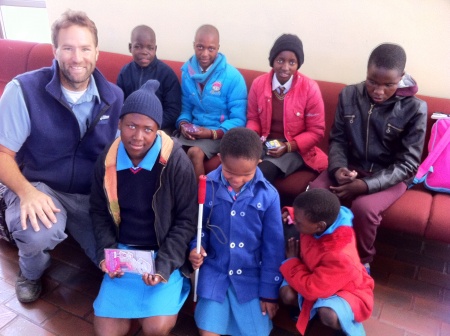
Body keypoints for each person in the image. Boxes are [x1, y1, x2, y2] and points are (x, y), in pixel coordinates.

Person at [0, 10, 123, 303]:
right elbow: (3, 153)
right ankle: (31, 272)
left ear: (96, 51)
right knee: (37, 233)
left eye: (84, 48)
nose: (76, 57)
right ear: (55, 50)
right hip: (40, 186)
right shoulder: (23, 90)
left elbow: (117, 159)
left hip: (88, 196)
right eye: (67, 48)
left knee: (116, 264)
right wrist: (27, 192)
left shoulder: (115, 97)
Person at [90, 80, 197, 336]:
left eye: (148, 129)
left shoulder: (175, 161)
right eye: (131, 126)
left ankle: (167, 287)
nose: (138, 136)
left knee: (155, 328)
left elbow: (186, 220)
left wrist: (163, 265)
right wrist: (108, 255)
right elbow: (97, 211)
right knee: (106, 332)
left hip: (162, 252)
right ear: (119, 124)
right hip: (125, 255)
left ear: (158, 130)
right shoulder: (108, 159)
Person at [309, 43, 427, 272]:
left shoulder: (415, 108)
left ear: (401, 78)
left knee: (364, 208)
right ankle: (318, 249)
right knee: (316, 193)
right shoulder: (350, 94)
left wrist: (364, 185)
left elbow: (408, 164)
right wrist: (337, 168)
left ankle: (361, 262)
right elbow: (339, 140)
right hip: (352, 166)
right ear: (366, 72)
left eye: (389, 84)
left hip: (390, 175)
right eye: (372, 81)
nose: (378, 91)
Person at [189, 127, 284, 336]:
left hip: (250, 277)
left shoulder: (269, 196)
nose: (237, 180)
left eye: (246, 175)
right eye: (230, 172)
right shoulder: (208, 187)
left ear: (259, 163)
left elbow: (273, 248)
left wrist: (269, 293)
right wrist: (197, 247)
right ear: (220, 159)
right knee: (207, 332)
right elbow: (199, 227)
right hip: (215, 273)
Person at [280, 189, 374, 336]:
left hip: (344, 289)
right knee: (286, 294)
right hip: (316, 277)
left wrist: (291, 261)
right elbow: (306, 213)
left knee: (328, 314)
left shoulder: (340, 254)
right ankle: (309, 311)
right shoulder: (322, 219)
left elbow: (311, 289)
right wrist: (290, 213)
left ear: (320, 227)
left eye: (298, 222)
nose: (295, 223)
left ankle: (344, 325)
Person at [247, 34, 327, 184]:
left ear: (298, 64)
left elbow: (316, 131)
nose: (285, 67)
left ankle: (258, 207)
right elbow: (253, 118)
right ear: (272, 61)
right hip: (263, 142)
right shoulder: (259, 84)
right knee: (240, 165)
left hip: (295, 148)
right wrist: (252, 144)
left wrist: (288, 146)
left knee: (263, 171)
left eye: (292, 62)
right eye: (280, 60)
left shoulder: (310, 88)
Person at [176, 24, 247, 180]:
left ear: (218, 48)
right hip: (194, 132)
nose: (205, 54)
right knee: (166, 149)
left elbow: (239, 119)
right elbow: (185, 108)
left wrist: (211, 133)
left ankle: (197, 203)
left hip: (219, 134)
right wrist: (183, 125)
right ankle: (172, 199)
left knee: (194, 153)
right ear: (194, 45)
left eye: (211, 48)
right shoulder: (187, 73)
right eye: (200, 47)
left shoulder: (233, 77)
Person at [117, 25, 181, 134]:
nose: (144, 52)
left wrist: (153, 125)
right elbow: (118, 104)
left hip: (159, 126)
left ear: (155, 49)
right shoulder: (125, 72)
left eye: (150, 48)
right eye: (138, 46)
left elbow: (173, 110)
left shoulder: (167, 74)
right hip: (131, 126)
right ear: (130, 47)